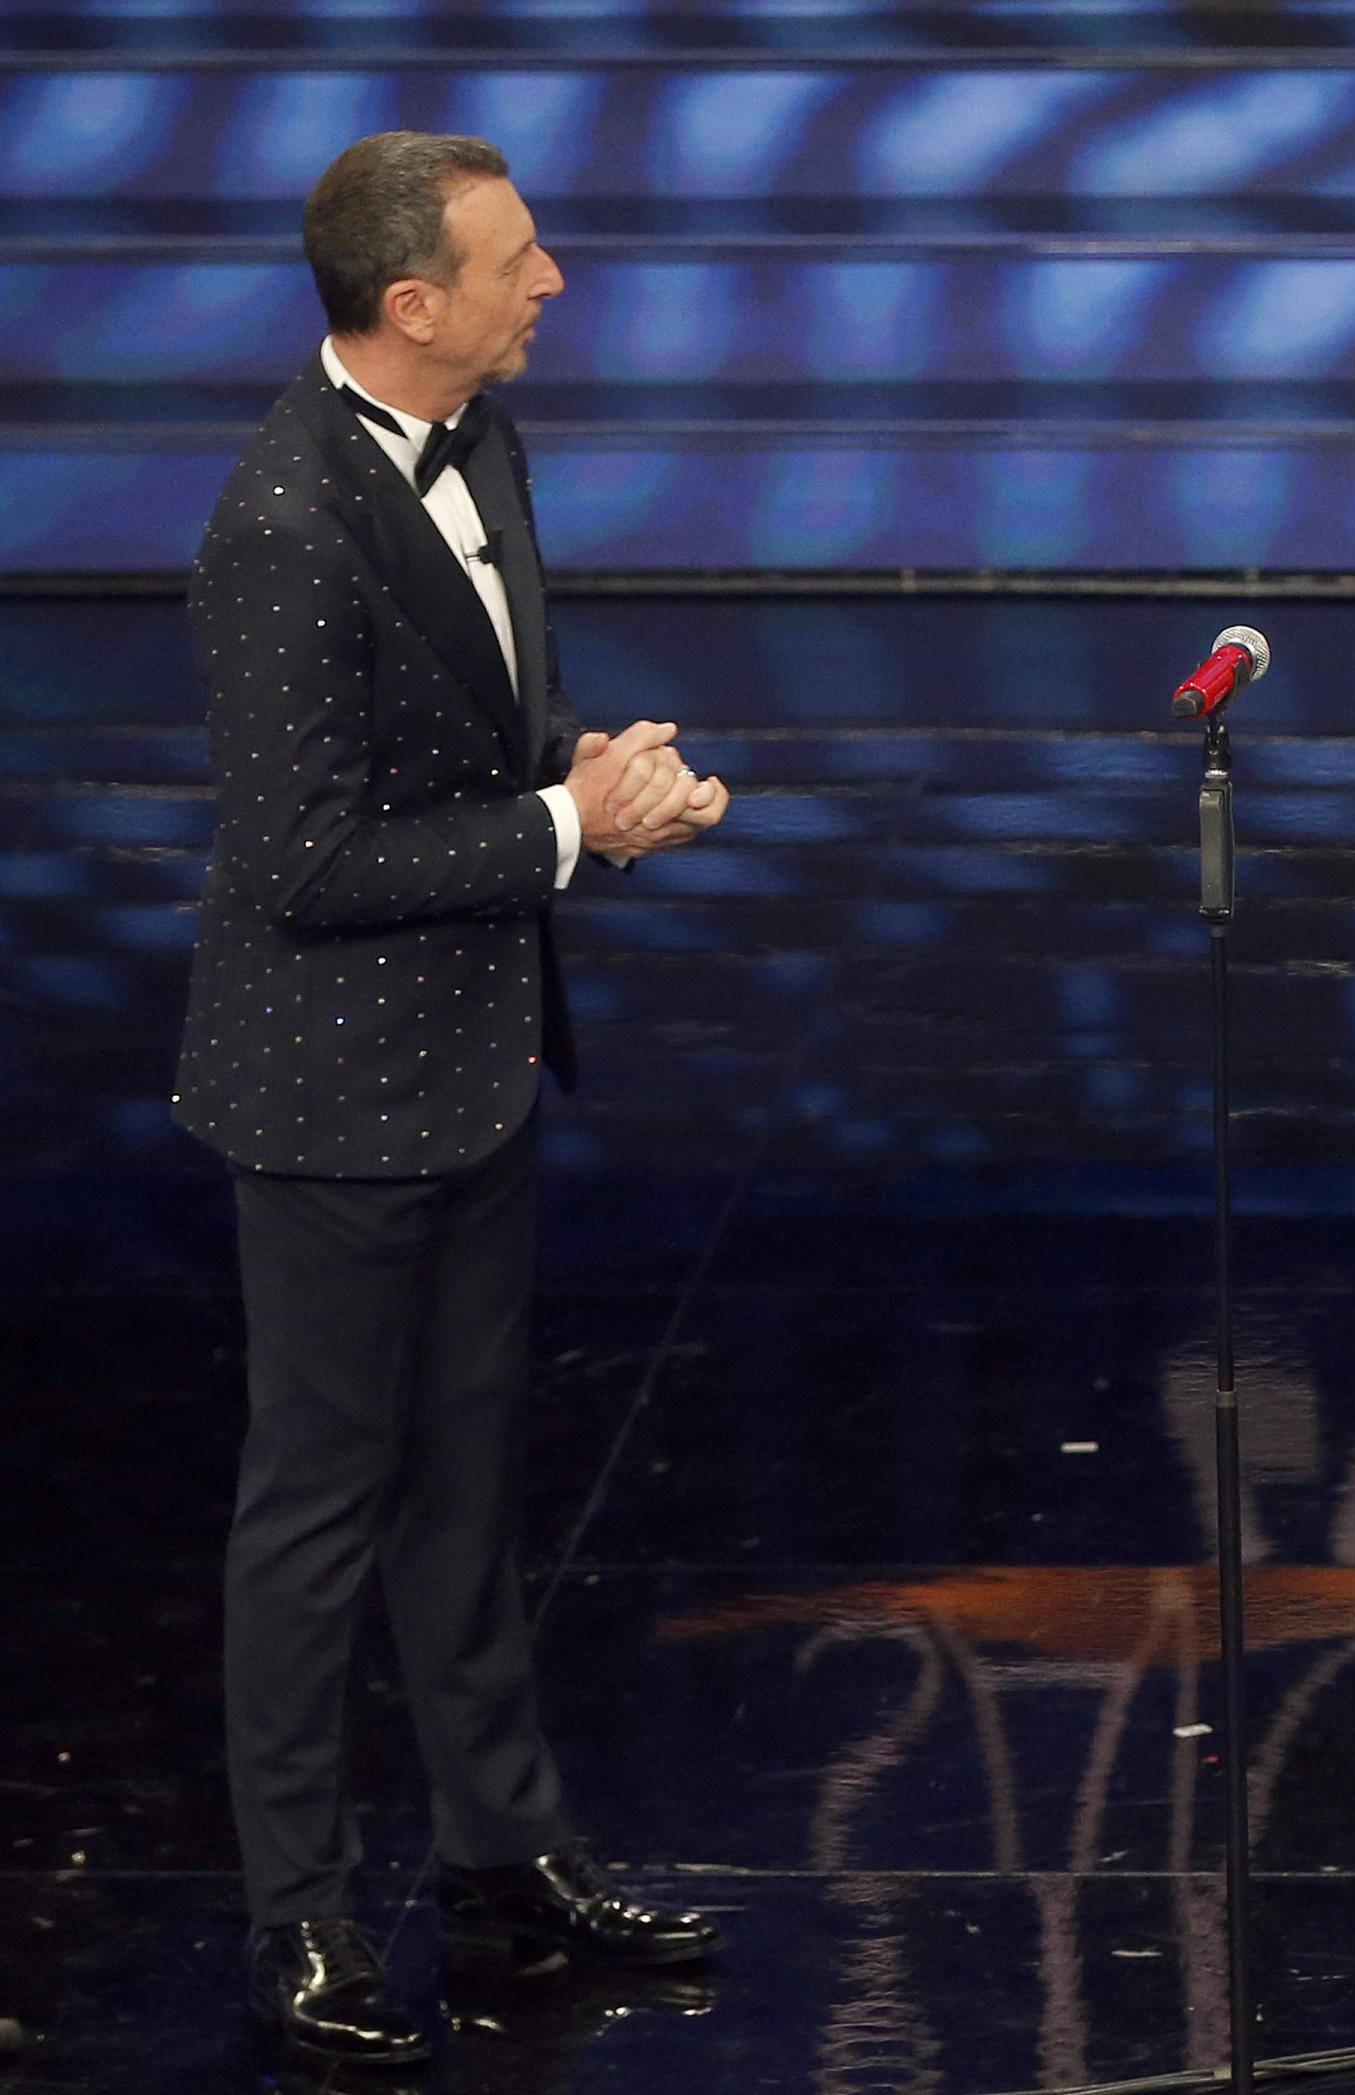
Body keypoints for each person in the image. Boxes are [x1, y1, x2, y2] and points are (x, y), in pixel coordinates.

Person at [175, 132, 730, 2069]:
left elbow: (468, 742)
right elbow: (307, 861)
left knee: (468, 1490)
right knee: (318, 1510)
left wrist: (601, 784)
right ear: (412, 305)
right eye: (517, 262)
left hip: (473, 1060)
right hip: (330, 1096)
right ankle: (302, 1922)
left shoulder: (480, 438)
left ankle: (505, 1855)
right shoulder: (281, 523)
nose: (552, 281)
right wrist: (568, 827)